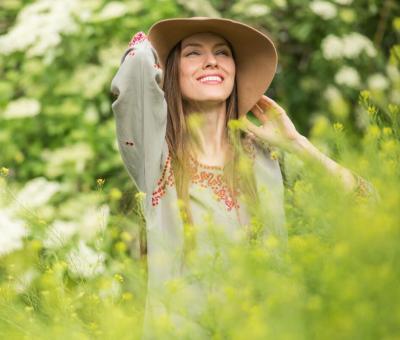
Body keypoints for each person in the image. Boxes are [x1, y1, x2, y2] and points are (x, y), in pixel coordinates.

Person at [110, 17, 375, 339]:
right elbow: (135, 70)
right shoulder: (155, 157)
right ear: (170, 72)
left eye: (223, 53)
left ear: (235, 71)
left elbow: (368, 204)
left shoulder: (268, 157)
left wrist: (297, 144)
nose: (211, 61)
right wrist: (153, 46)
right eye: (193, 53)